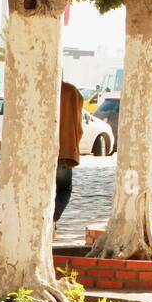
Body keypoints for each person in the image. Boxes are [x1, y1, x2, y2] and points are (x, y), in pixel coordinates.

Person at [55, 80, 84, 224]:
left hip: (40, 155)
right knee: (64, 190)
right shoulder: (71, 91)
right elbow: (78, 126)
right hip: (64, 152)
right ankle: (53, 219)